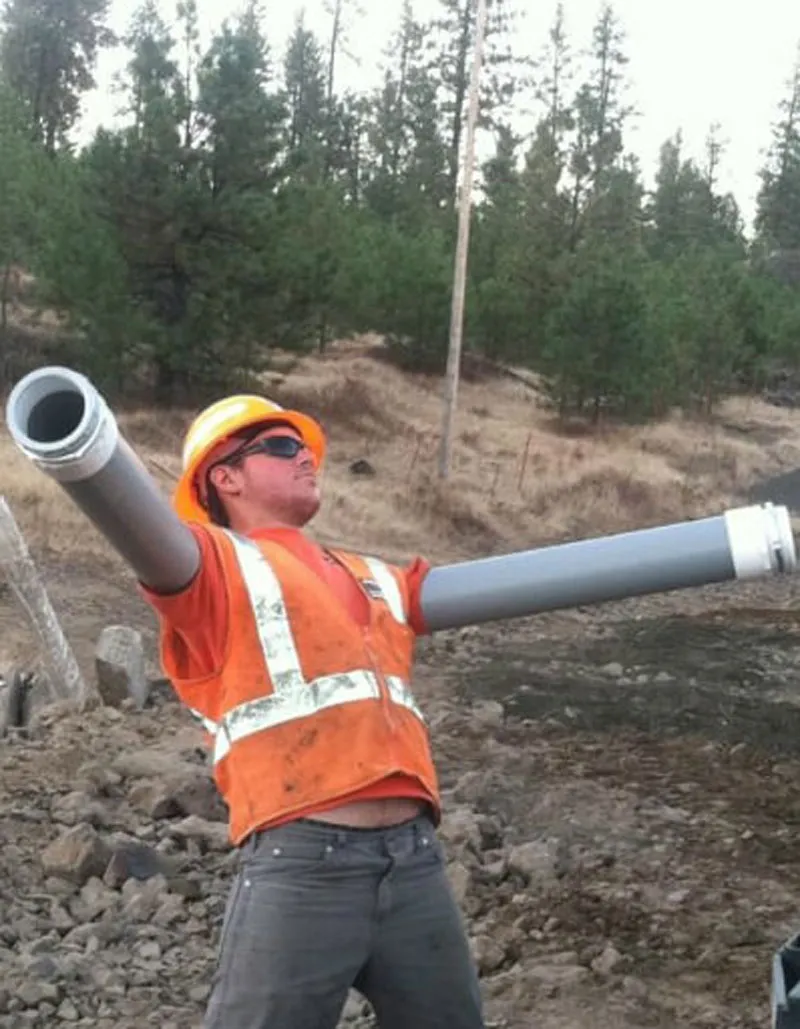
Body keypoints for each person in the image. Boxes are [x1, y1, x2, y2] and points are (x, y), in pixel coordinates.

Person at [138, 393, 486, 1029]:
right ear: (226, 477)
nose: (304, 456)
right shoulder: (210, 569)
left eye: (303, 446)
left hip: (414, 859)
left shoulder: (370, 573)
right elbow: (140, 530)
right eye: (279, 446)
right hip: (304, 862)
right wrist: (77, 448)